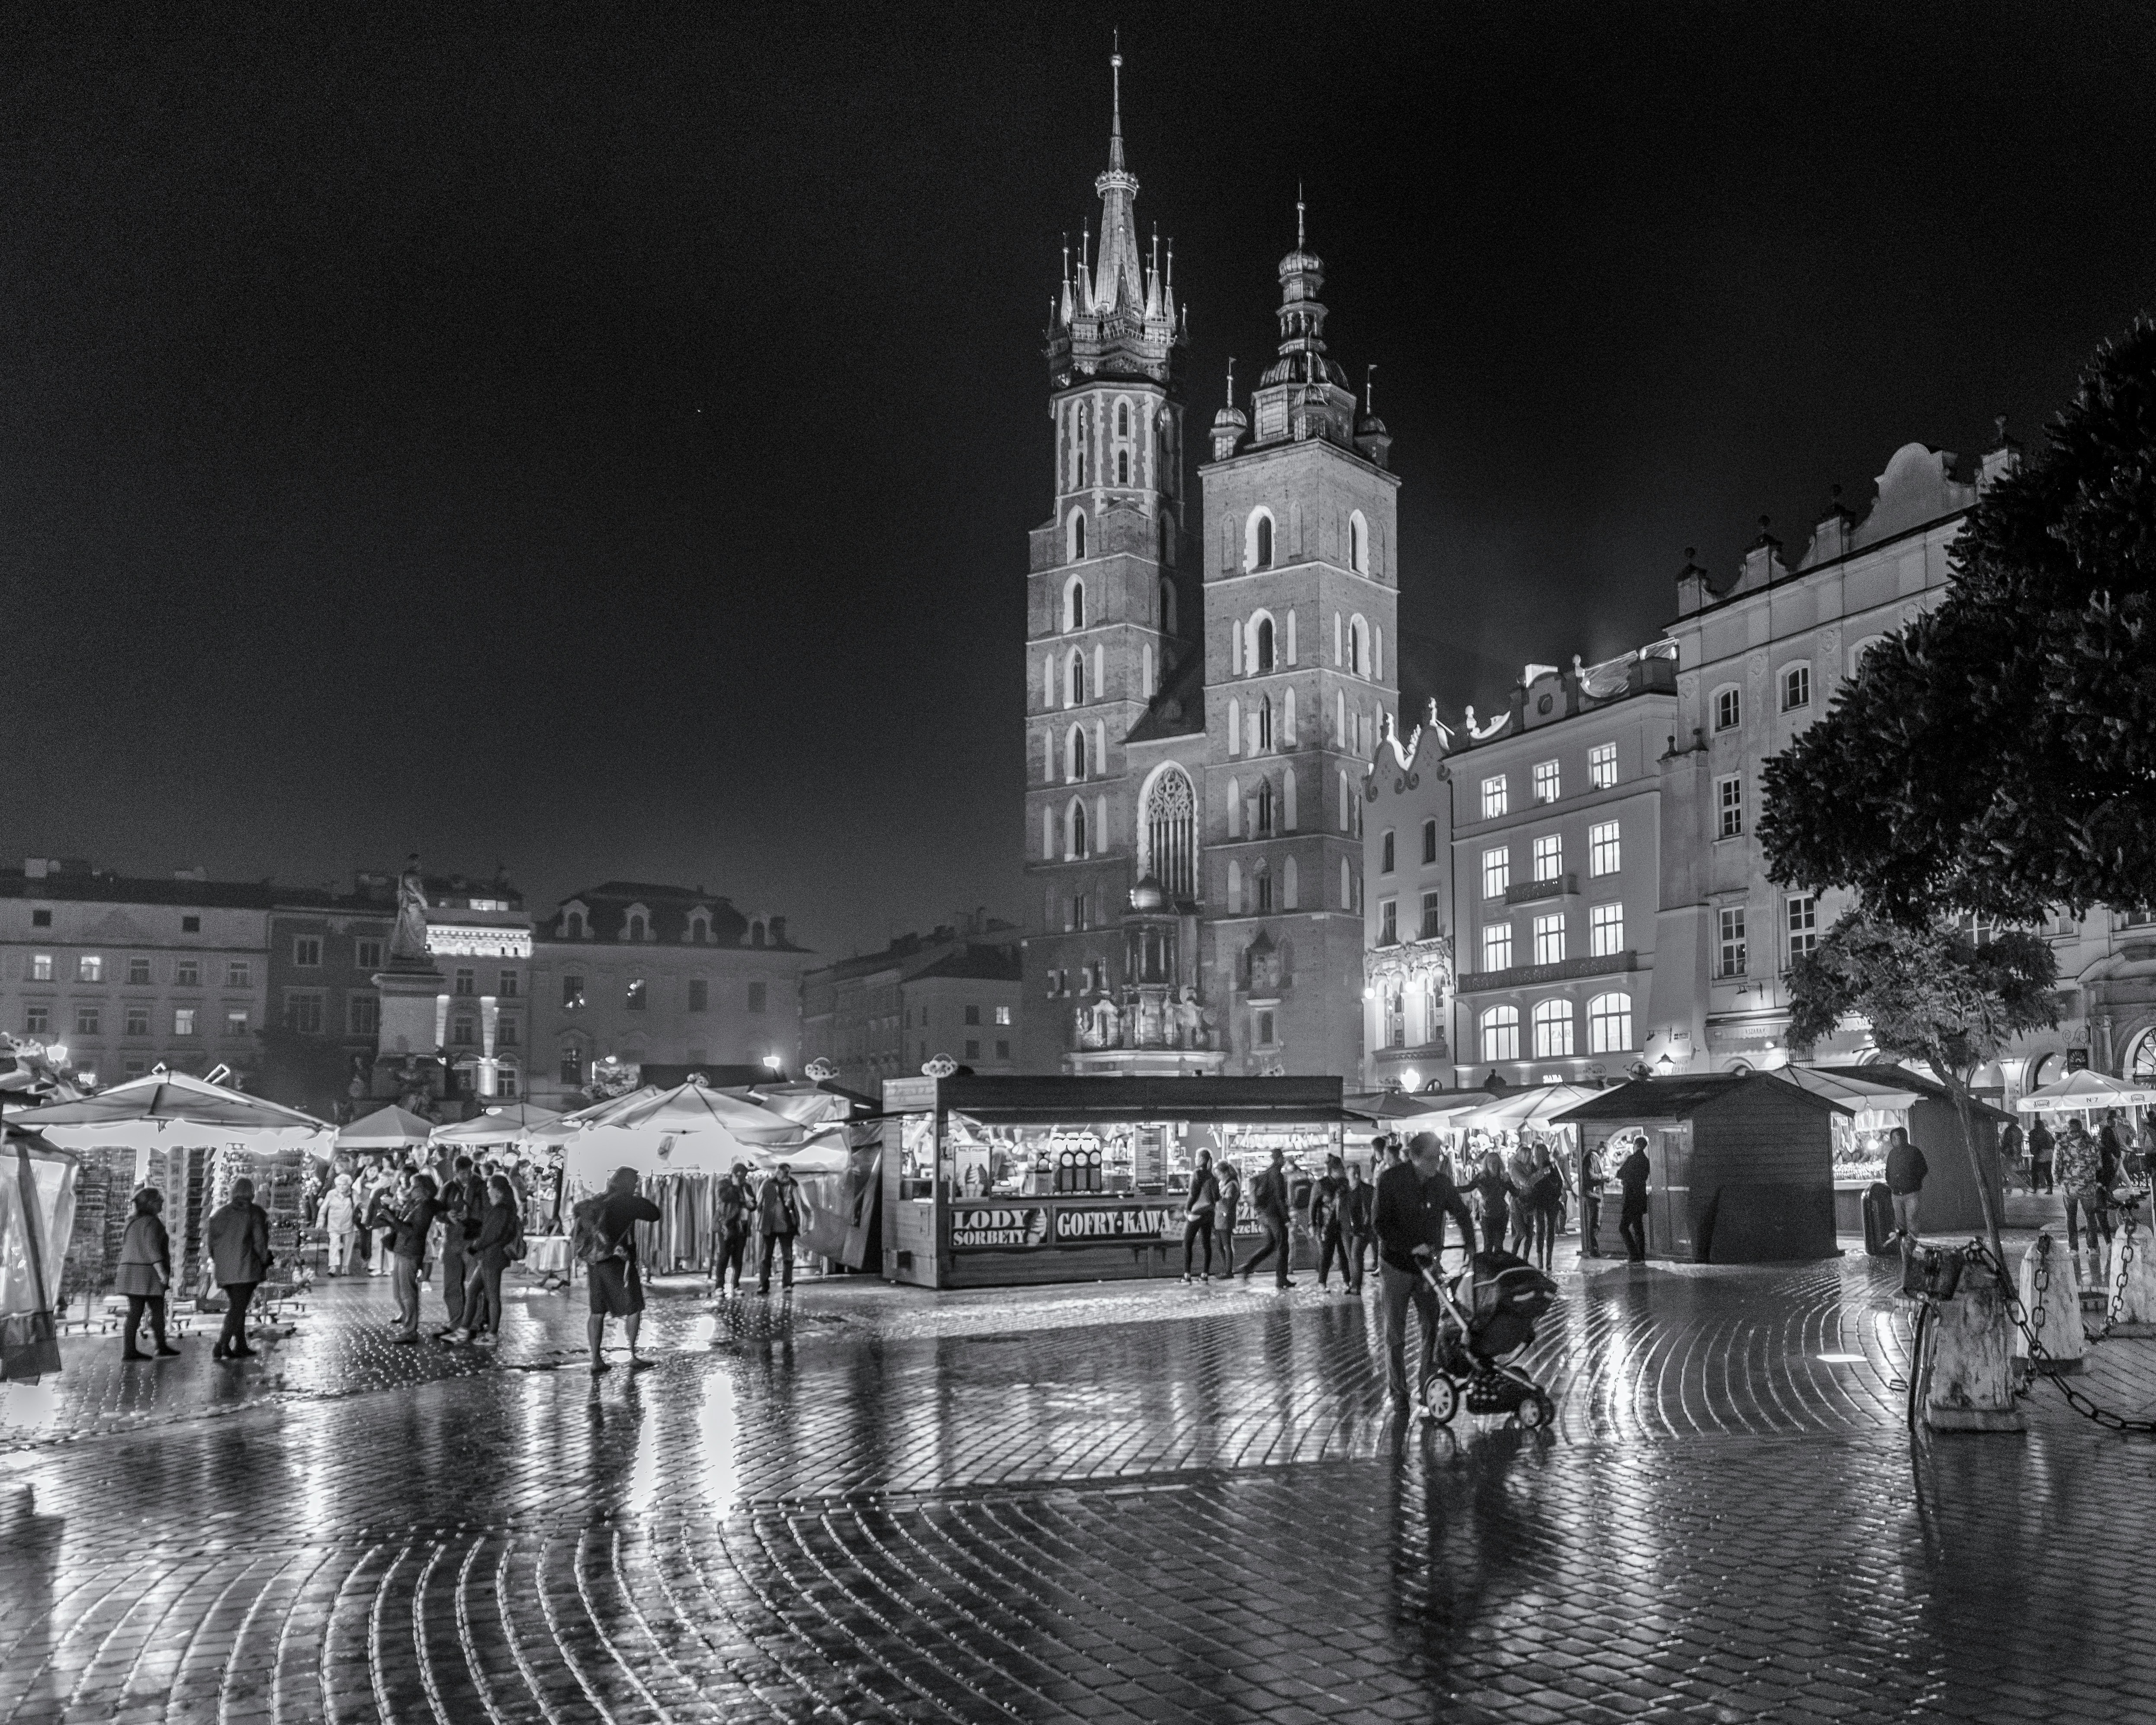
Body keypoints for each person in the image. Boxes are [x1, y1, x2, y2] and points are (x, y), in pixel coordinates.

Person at [1372, 1131, 1477, 1416]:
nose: (1436, 1164)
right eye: (1431, 1159)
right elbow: (1380, 1224)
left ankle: (1426, 1384)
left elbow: (1461, 1212)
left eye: (1438, 1158)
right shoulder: (1391, 1181)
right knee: (1395, 1331)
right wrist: (1409, 1246)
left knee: (1431, 1325)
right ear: (1414, 1157)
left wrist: (1470, 1244)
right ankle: (1398, 1392)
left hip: (1427, 1267)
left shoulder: (1441, 1183)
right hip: (1396, 1265)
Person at [580, 1165, 663, 1372]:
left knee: (597, 1311)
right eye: (634, 1183)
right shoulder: (628, 1202)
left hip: (596, 1261)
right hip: (619, 1261)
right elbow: (654, 1214)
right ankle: (633, 1355)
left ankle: (596, 1360)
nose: (636, 1185)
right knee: (634, 1306)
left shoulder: (598, 1200)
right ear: (629, 1184)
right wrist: (637, 1197)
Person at [446, 1174, 521, 1346]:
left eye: (489, 1187)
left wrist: (475, 1246)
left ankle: (492, 1334)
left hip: (492, 1256)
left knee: (492, 1296)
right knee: (473, 1291)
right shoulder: (505, 1208)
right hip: (491, 1256)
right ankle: (464, 1330)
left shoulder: (501, 1209)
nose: (487, 1191)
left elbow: (491, 1235)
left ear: (498, 1191)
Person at [204, 1177, 272, 1361]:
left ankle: (240, 1345)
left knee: (238, 1307)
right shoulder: (255, 1213)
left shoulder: (220, 1214)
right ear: (252, 1192)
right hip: (245, 1267)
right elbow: (260, 1241)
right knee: (238, 1308)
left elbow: (211, 1244)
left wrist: (219, 1260)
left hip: (225, 1269)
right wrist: (266, 1259)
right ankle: (222, 1344)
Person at [116, 1188, 180, 1360]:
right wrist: (162, 1273)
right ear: (150, 1203)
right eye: (159, 1200)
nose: (162, 1202)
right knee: (158, 1310)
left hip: (129, 1271)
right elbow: (151, 1248)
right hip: (146, 1273)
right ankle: (160, 1346)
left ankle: (130, 1350)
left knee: (135, 1312)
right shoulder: (152, 1223)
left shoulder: (132, 1222)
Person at [378, 1172, 440, 1342]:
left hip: (410, 1251)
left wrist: (392, 1219)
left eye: (415, 1187)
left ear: (424, 1190)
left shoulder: (425, 1207)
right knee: (398, 1293)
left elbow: (415, 1232)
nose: (411, 1190)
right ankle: (407, 1324)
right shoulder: (415, 1204)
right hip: (401, 1248)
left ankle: (410, 1329)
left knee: (407, 1292)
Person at [433, 1155, 481, 1336]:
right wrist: (447, 1216)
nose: (466, 1176)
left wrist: (470, 1215)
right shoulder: (449, 1187)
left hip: (472, 1240)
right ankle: (455, 1320)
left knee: (473, 1284)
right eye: (462, 1172)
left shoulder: (480, 1186)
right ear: (456, 1171)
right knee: (451, 1284)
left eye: (468, 1171)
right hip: (452, 1239)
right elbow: (438, 1211)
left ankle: (474, 1322)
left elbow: (486, 1211)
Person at [2055, 1118, 2108, 1275]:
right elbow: (2099, 1165)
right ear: (2081, 1129)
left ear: (2068, 1130)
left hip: (2069, 1188)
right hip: (2088, 1187)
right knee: (2090, 1217)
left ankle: (2073, 1249)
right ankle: (2093, 1247)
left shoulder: (2061, 1145)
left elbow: (2056, 1167)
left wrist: (2059, 1181)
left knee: (2071, 1217)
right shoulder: (2092, 1145)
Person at [1238, 1148, 1295, 1289]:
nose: (1284, 1160)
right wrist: (1286, 1218)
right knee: (1283, 1246)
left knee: (1271, 1245)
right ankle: (1281, 1280)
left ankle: (1248, 1267)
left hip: (1265, 1215)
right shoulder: (1277, 1175)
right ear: (1280, 1159)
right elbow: (1279, 1198)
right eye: (1282, 1158)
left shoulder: (1268, 1172)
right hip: (1275, 1215)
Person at [757, 1161, 803, 1294]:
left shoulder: (794, 1185)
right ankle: (763, 1285)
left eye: (787, 1172)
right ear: (777, 1172)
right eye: (783, 1172)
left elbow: (801, 1204)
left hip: (787, 1226)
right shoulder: (767, 1184)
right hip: (769, 1226)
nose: (785, 1175)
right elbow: (759, 1202)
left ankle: (787, 1284)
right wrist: (758, 1221)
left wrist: (803, 1221)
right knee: (766, 1257)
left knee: (788, 1257)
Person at [1312, 1154, 1353, 1291]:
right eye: (1341, 1168)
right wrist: (1313, 1225)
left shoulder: (1345, 1183)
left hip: (1342, 1224)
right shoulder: (1321, 1184)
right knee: (1327, 1255)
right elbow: (1313, 1206)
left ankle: (1348, 1281)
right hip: (1326, 1225)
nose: (1343, 1170)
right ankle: (1322, 1283)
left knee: (1344, 1255)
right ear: (1333, 1170)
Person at [712, 1162, 752, 1294]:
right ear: (735, 1175)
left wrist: (751, 1203)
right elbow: (723, 1197)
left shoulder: (747, 1187)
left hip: (742, 1226)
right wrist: (735, 1187)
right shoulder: (723, 1184)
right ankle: (719, 1286)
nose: (743, 1180)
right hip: (726, 1225)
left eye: (745, 1177)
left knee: (738, 1257)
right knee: (724, 1256)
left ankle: (736, 1285)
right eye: (741, 1177)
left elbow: (753, 1204)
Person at [1883, 1126, 1928, 1239]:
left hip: (1911, 1194)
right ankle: (1903, 1251)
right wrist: (1891, 1183)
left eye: (1897, 1137)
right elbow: (1888, 1171)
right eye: (1893, 1138)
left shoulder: (1914, 1152)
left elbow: (1923, 1169)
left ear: (1904, 1138)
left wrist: (1913, 1182)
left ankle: (1910, 1249)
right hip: (1896, 1195)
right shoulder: (1892, 1154)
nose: (1895, 1140)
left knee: (1912, 1222)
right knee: (1900, 1224)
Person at [1182, 1148, 1219, 1282]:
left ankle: (1187, 1275)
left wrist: (1187, 1209)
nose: (1196, 1159)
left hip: (1196, 1214)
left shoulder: (1197, 1174)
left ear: (1202, 1159)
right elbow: (1217, 1197)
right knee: (1206, 1244)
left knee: (1187, 1243)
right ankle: (1205, 1274)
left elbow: (1193, 1194)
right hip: (1209, 1214)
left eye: (1197, 1157)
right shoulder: (1213, 1177)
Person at [1527, 1141, 1565, 1272]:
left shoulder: (1544, 1166)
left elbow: (1560, 1182)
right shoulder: (1542, 1167)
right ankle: (1546, 1262)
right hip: (1547, 1201)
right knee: (1547, 1230)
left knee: (1543, 1230)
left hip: (1545, 1201)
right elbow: (1561, 1182)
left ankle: (1543, 1262)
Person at [1341, 1160, 1376, 1295]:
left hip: (1361, 1229)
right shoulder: (1343, 1191)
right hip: (1346, 1229)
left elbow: (1372, 1210)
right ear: (1347, 1174)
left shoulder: (1367, 1190)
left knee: (1356, 1255)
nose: (1356, 1176)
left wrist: (1370, 1225)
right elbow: (1337, 1208)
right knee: (1351, 1256)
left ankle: (1356, 1285)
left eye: (1358, 1173)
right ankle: (1353, 1284)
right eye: (1353, 1173)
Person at [1616, 1135, 1651, 1262]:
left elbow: (1620, 1174)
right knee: (1638, 1228)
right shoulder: (1646, 1161)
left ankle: (1633, 1254)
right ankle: (1641, 1255)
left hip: (1631, 1198)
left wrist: (1626, 1179)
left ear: (1636, 1145)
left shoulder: (1632, 1159)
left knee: (1623, 1227)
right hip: (1641, 1198)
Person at [321, 1173, 357, 1275]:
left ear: (349, 1185)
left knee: (348, 1247)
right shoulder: (331, 1194)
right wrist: (320, 1220)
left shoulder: (353, 1194)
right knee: (334, 1245)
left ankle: (345, 1267)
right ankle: (333, 1267)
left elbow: (359, 1208)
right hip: (334, 1224)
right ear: (336, 1185)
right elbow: (323, 1208)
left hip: (350, 1224)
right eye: (339, 1185)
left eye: (344, 1185)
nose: (342, 1187)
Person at [1578, 1139, 1607, 1258]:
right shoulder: (1592, 1158)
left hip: (1594, 1195)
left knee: (1596, 1223)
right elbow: (1590, 1176)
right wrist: (1603, 1177)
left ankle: (1594, 1250)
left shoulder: (1593, 1157)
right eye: (1605, 1153)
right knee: (1595, 1223)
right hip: (1593, 1195)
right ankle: (1594, 1251)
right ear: (1602, 1150)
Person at [1215, 1161, 1242, 1278]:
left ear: (1225, 1173)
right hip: (1220, 1219)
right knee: (1220, 1245)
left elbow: (1227, 1204)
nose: (1218, 1177)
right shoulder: (1225, 1184)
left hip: (1225, 1218)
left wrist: (1217, 1197)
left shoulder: (1232, 1185)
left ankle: (1228, 1271)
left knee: (1226, 1245)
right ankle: (1225, 1269)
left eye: (1219, 1174)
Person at [2028, 1117, 2056, 1194]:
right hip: (2049, 1152)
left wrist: (2035, 1152)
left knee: (2035, 1171)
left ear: (2036, 1125)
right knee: (2048, 1171)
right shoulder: (2047, 1133)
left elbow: (2033, 1144)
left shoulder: (2034, 1132)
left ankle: (2035, 1188)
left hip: (2041, 1152)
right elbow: (2054, 1142)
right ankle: (2050, 1189)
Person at [1998, 1119, 2026, 1194]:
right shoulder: (2018, 1130)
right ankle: (2010, 1189)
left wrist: (2002, 1149)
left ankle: (2023, 1186)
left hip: (2009, 1154)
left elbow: (2006, 1142)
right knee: (2009, 1172)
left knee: (2009, 1172)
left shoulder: (2009, 1130)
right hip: (2016, 1153)